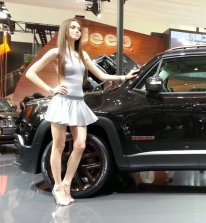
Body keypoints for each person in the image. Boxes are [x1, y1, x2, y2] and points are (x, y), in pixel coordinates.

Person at [25, 18, 139, 206]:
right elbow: (31, 73)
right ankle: (58, 186)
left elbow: (101, 75)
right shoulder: (56, 52)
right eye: (73, 27)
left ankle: (67, 183)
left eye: (79, 28)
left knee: (79, 145)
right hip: (62, 102)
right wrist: (51, 89)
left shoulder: (82, 55)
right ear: (65, 31)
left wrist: (124, 77)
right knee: (59, 146)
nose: (77, 31)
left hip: (78, 103)